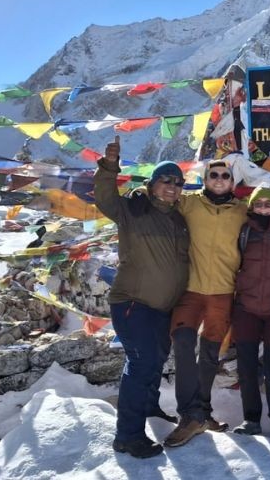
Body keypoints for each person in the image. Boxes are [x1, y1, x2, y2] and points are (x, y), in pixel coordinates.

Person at [94, 137, 189, 459]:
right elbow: (105, 199)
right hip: (133, 303)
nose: (173, 187)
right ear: (152, 185)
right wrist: (109, 167)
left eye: (178, 182)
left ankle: (150, 408)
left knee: (156, 360)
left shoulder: (179, 219)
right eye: (166, 180)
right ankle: (128, 436)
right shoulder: (134, 209)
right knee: (141, 363)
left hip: (163, 307)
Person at [164, 158, 246, 447]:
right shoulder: (190, 204)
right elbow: (162, 199)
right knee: (183, 342)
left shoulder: (242, 211)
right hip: (191, 290)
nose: (220, 179)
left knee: (210, 354)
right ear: (205, 178)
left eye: (226, 175)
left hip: (223, 292)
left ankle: (203, 412)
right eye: (214, 175)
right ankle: (189, 415)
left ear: (233, 182)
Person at [230, 181, 270, 438]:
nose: (264, 208)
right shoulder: (245, 231)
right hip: (246, 308)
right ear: (252, 206)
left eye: (269, 204)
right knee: (246, 367)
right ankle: (251, 419)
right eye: (258, 204)